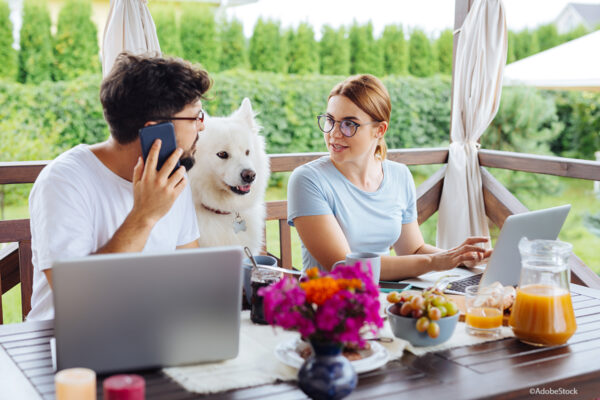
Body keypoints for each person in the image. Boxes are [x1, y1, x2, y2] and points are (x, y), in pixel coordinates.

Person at [27, 53, 212, 321]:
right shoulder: (63, 182)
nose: (202, 127)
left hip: (148, 336)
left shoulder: (171, 176)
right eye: (195, 118)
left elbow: (190, 275)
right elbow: (77, 298)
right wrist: (144, 215)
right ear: (156, 131)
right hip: (68, 346)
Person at [287, 74, 491, 281]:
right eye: (330, 120)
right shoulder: (308, 180)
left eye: (349, 124)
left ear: (380, 130)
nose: (334, 133)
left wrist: (459, 257)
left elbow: (413, 250)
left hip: (384, 299)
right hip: (328, 305)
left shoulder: (399, 175)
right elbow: (346, 267)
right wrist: (435, 262)